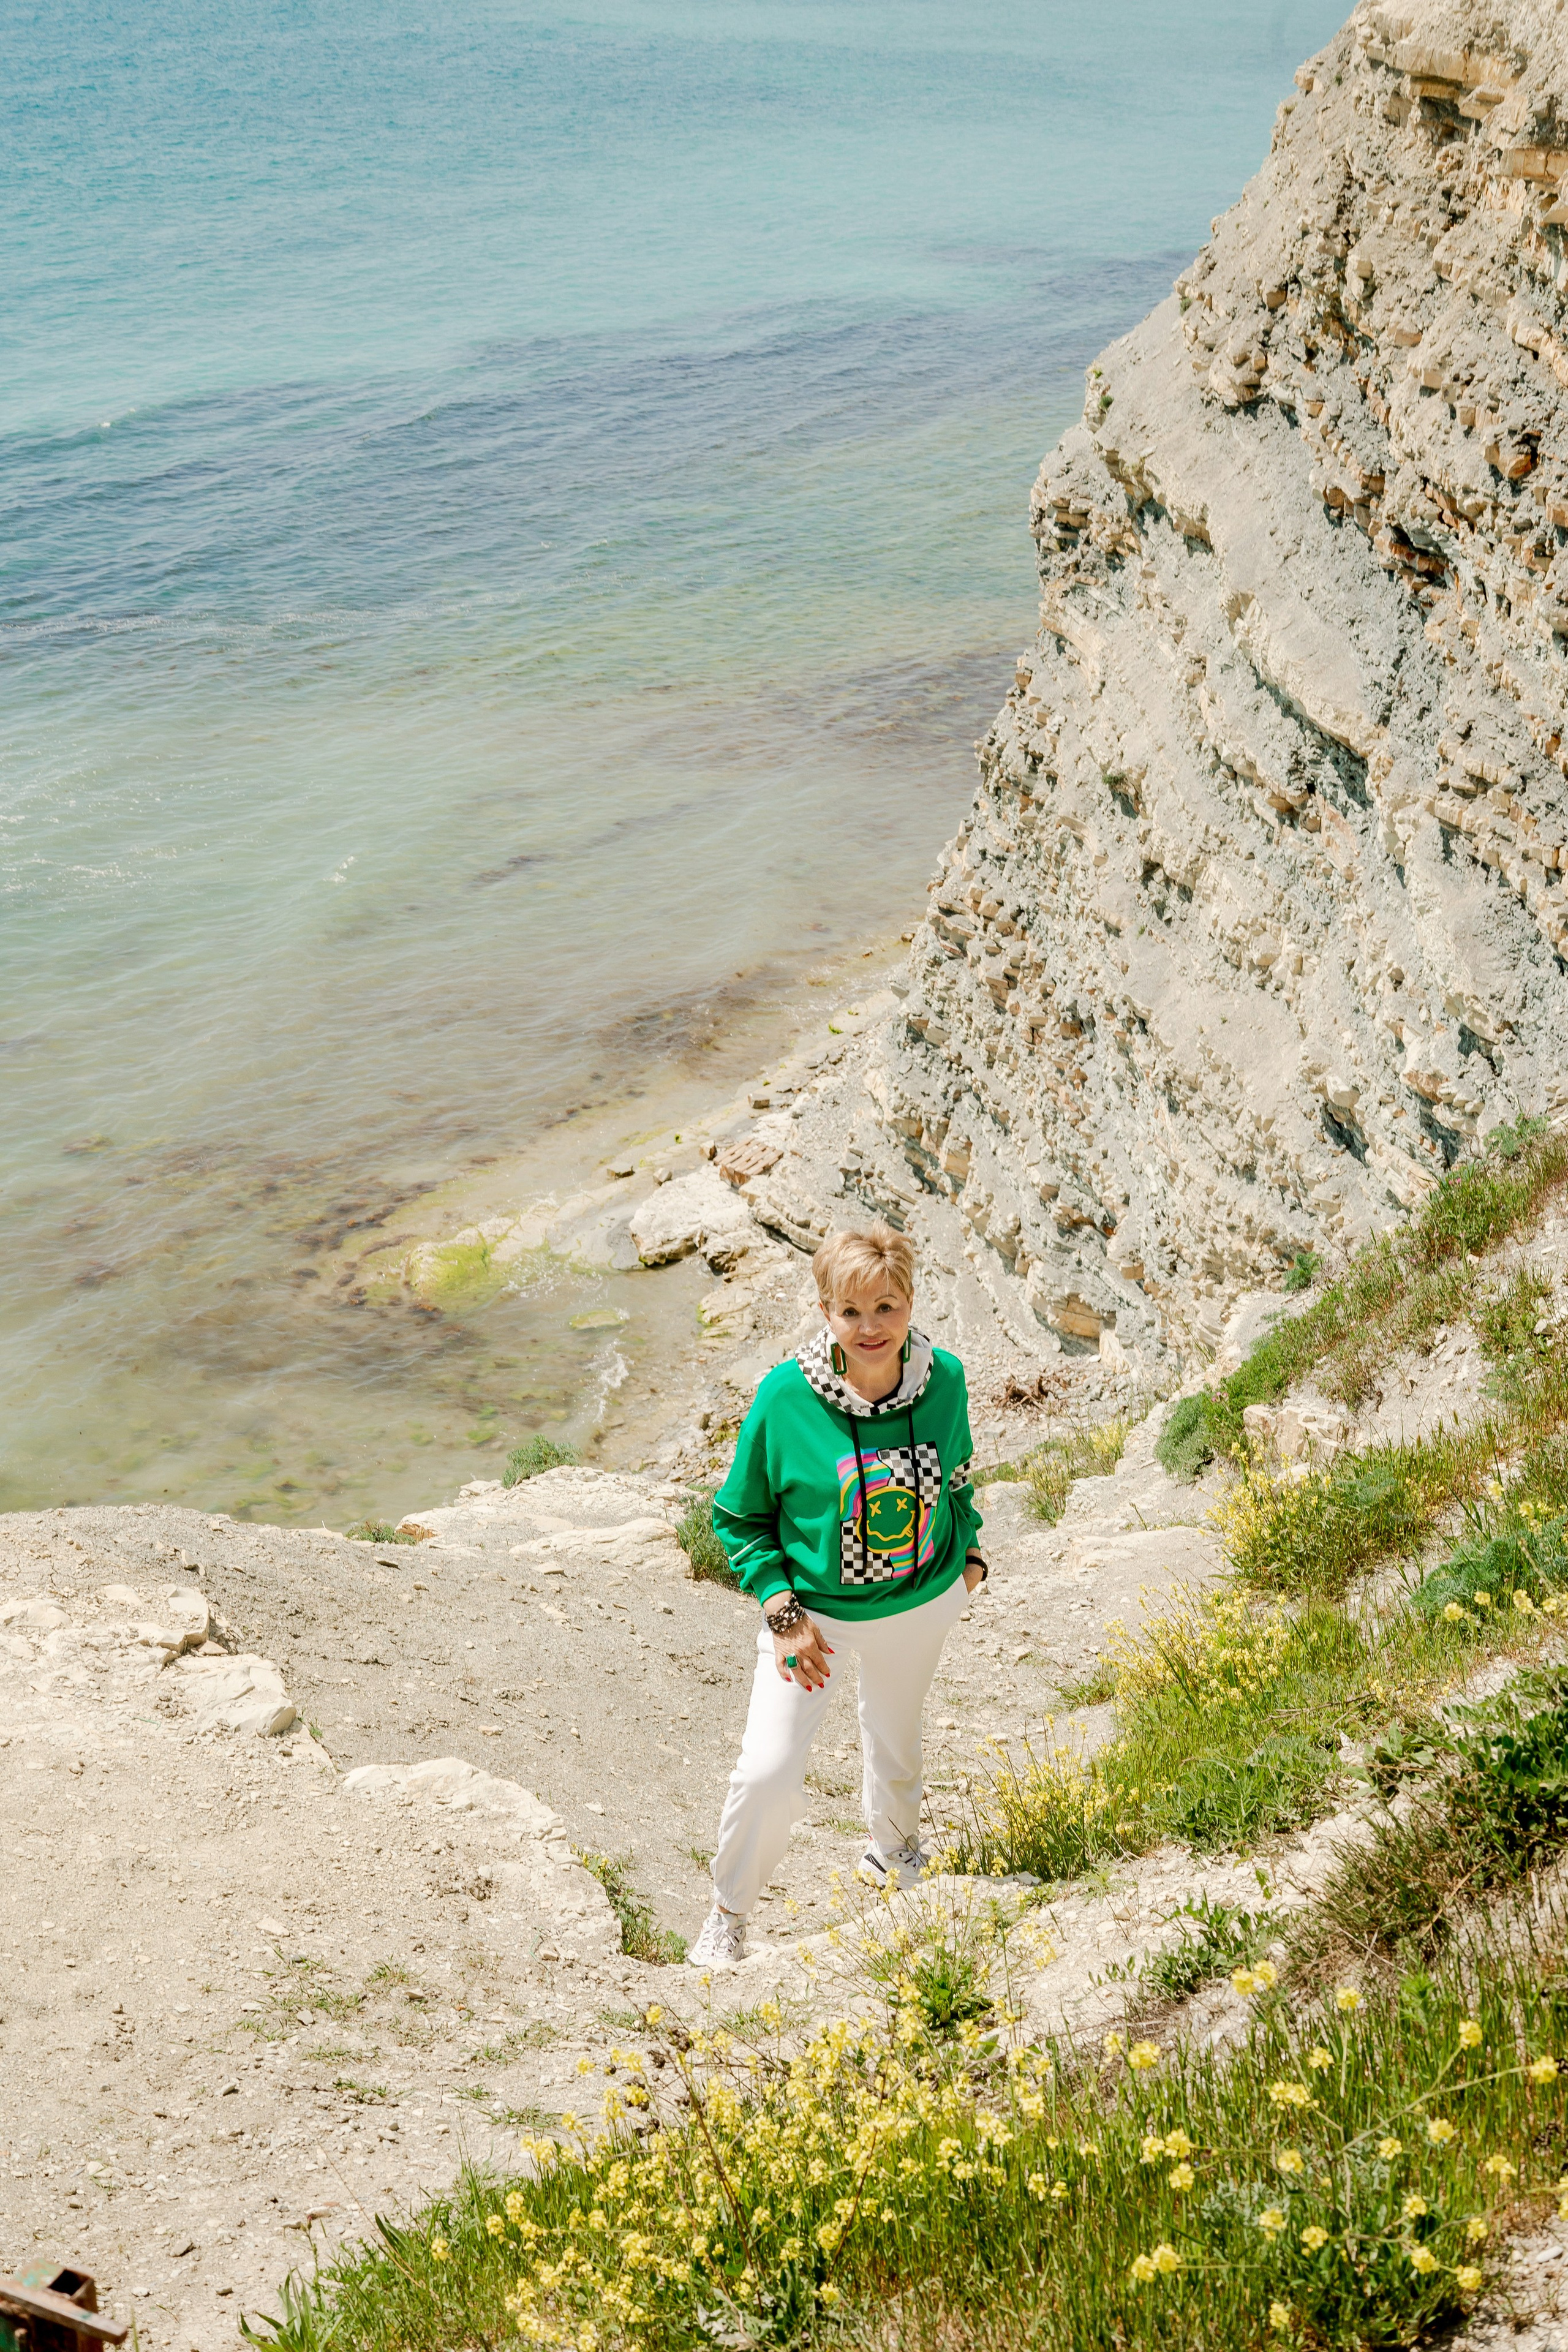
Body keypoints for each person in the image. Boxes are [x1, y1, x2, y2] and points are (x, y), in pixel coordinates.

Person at [687, 1221, 987, 1968]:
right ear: (825, 1311)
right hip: (811, 1621)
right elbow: (739, 1517)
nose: (869, 1328)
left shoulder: (943, 1378)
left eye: (886, 1307)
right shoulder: (785, 1397)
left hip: (918, 1605)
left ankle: (894, 1855)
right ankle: (728, 1914)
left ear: (911, 1302)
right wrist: (784, 1614)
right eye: (851, 1312)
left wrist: (972, 1550)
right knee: (768, 1771)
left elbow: (955, 1476)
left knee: (897, 1742)